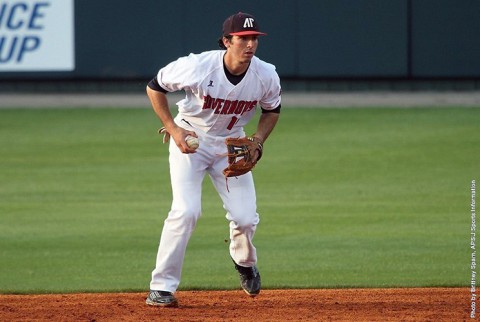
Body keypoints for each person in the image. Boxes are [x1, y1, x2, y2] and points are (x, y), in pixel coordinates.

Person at [145, 12, 282, 307]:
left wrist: (257, 140)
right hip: (190, 139)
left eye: (254, 39)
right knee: (186, 211)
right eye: (243, 39)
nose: (250, 45)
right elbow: (154, 86)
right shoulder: (197, 66)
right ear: (226, 41)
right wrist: (173, 129)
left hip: (232, 144)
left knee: (245, 218)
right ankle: (162, 287)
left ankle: (244, 262)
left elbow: (272, 110)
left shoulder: (266, 74)